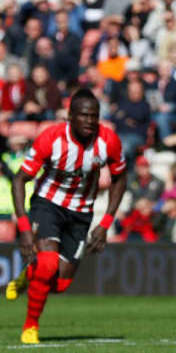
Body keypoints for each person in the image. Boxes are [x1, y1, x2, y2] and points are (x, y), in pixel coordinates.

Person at [5, 89, 127, 344]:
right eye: (84, 115)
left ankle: (29, 275)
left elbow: (120, 179)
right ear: (70, 116)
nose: (90, 121)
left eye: (94, 116)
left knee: (59, 285)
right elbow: (20, 180)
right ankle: (30, 328)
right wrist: (25, 228)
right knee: (48, 265)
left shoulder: (108, 141)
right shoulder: (51, 138)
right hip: (47, 204)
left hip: (81, 213)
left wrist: (105, 224)